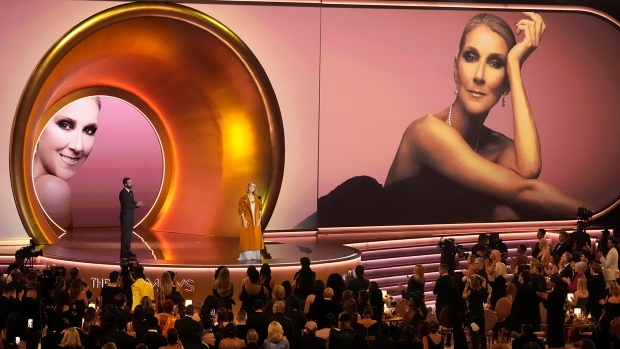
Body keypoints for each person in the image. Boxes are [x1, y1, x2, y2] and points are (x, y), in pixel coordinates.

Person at [33, 96, 101, 228]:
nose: (78, 146)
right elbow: (59, 249)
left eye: (89, 130)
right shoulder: (51, 189)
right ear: (36, 125)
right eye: (65, 125)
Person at [537, 274, 567, 348]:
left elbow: (548, 306)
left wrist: (543, 298)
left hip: (553, 317)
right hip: (560, 315)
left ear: (554, 283)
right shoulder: (562, 291)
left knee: (553, 335)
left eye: (550, 281)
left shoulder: (553, 294)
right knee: (560, 333)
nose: (549, 283)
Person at [119, 177, 144, 258]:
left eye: (131, 182)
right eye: (129, 182)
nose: (131, 183)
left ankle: (128, 250)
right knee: (125, 235)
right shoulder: (123, 193)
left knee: (129, 235)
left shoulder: (131, 192)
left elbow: (132, 203)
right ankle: (124, 252)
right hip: (126, 217)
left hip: (130, 217)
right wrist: (135, 205)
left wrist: (137, 204)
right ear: (125, 184)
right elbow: (125, 205)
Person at [237, 182, 263, 261]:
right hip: (248, 220)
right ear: (248, 187)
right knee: (248, 238)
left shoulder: (257, 198)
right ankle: (247, 257)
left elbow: (260, 209)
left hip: (256, 221)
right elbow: (241, 210)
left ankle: (255, 256)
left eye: (254, 187)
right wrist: (244, 220)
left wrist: (260, 219)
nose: (252, 188)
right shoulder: (243, 198)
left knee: (255, 238)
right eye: (251, 186)